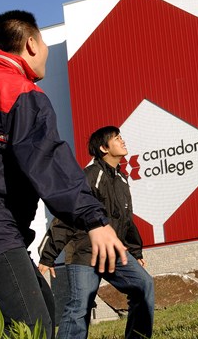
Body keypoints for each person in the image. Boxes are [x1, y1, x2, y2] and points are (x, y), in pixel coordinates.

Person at [0, 10, 128, 339]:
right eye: (46, 48)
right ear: (31, 44)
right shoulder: (19, 91)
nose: (46, 59)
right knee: (33, 329)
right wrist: (93, 219)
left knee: (45, 312)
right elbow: (46, 159)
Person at [38, 126, 155, 339]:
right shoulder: (89, 175)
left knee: (143, 285)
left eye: (121, 137)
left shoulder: (121, 179)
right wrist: (48, 255)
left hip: (113, 251)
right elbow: (66, 215)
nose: (122, 141)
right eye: (116, 138)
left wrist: (136, 251)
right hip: (85, 251)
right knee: (80, 306)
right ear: (103, 148)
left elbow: (126, 218)